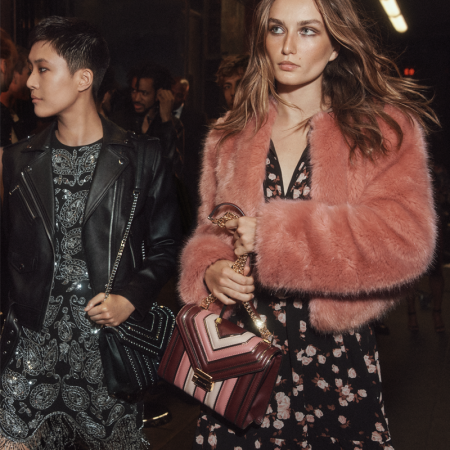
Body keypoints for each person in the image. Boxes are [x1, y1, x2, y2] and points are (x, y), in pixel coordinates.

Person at [179, 0, 438, 448]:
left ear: (335, 45)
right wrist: (210, 271)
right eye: (277, 29)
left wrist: (276, 237)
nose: (288, 46)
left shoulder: (380, 130)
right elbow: (214, 230)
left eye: (308, 31)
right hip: (243, 352)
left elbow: (407, 240)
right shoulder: (230, 135)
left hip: (334, 356)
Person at [0, 16, 180, 449]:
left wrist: (130, 298)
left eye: (43, 68)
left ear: (83, 78)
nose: (31, 82)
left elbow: (167, 246)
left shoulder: (141, 157)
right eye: (31, 69)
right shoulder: (16, 160)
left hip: (106, 353)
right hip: (28, 352)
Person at [110, 62, 184, 179]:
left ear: (159, 94)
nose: (136, 98)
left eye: (144, 93)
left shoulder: (173, 124)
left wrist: (166, 122)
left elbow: (174, 169)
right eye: (134, 91)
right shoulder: (119, 120)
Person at [172, 77, 208, 220]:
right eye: (172, 93)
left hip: (189, 185)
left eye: (179, 95)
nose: (174, 98)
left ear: (185, 96)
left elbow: (200, 152)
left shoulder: (197, 117)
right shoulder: (156, 116)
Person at [0, 46, 33, 143]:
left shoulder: (13, 115)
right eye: (29, 73)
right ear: (14, 75)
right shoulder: (2, 115)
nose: (32, 81)